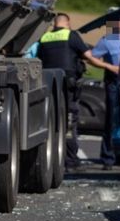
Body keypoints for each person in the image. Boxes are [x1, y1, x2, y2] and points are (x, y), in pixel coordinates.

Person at [37, 13, 114, 168]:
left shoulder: (44, 38)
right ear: (68, 22)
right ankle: (70, 159)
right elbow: (89, 57)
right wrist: (111, 67)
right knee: (70, 121)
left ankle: (53, 157)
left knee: (53, 121)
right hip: (69, 86)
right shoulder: (71, 36)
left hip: (50, 85)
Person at [91, 16, 120, 167]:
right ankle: (108, 157)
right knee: (112, 119)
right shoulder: (106, 40)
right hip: (114, 83)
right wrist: (109, 67)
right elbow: (92, 57)